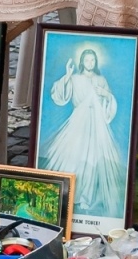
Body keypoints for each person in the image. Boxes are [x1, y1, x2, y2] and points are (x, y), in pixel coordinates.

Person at [42, 49, 124, 221]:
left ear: (96, 62)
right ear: (82, 62)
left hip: (96, 124)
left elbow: (110, 101)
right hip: (78, 123)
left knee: (93, 159)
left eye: (92, 60)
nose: (90, 63)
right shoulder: (75, 78)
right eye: (87, 60)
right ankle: (70, 194)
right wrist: (67, 74)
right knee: (74, 156)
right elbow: (59, 94)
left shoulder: (101, 80)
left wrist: (106, 95)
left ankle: (86, 198)